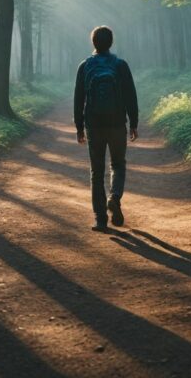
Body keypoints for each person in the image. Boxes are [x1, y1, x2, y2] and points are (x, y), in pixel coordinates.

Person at [74, 26, 139, 232]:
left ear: (93, 43)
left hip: (94, 125)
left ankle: (100, 220)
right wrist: (134, 123)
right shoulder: (120, 65)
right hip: (117, 123)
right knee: (118, 165)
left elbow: (79, 99)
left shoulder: (85, 66)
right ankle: (115, 197)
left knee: (97, 172)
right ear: (111, 42)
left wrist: (79, 127)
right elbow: (131, 95)